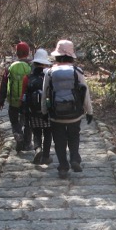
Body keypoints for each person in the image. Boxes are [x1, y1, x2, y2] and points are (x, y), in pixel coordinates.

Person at [41, 39, 93, 179]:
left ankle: (63, 167)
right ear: (71, 55)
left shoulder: (49, 72)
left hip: (56, 115)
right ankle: (74, 158)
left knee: (59, 141)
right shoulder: (77, 71)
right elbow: (85, 93)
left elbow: (45, 94)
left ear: (57, 55)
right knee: (74, 136)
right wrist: (89, 111)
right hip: (74, 114)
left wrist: (44, 111)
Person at [21, 49, 54, 166]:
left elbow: (23, 95)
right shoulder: (49, 76)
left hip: (33, 111)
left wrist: (24, 111)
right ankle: (46, 156)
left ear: (34, 63)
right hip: (47, 111)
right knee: (48, 133)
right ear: (45, 63)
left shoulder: (28, 77)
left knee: (37, 132)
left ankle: (38, 148)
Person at [0, 41, 32, 152]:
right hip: (27, 101)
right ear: (28, 52)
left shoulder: (10, 67)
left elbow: (4, 84)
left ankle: (18, 134)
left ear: (16, 53)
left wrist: (1, 100)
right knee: (28, 122)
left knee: (14, 120)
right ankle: (27, 144)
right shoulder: (31, 66)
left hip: (13, 101)